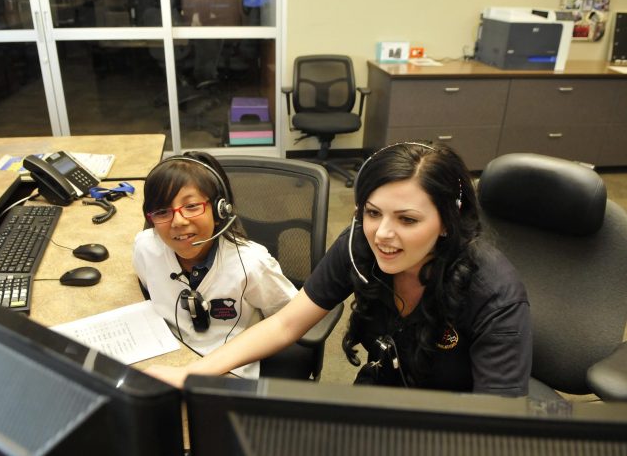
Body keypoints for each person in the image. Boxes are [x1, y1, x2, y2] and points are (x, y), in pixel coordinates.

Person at [145, 142, 532, 396]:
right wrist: (193, 374)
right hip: (382, 394)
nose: (383, 234)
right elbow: (285, 324)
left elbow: (497, 427)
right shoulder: (359, 244)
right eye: (372, 212)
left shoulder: (494, 294)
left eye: (408, 220)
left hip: (457, 422)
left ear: (447, 221)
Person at [133, 151, 297, 379]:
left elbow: (290, 315)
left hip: (228, 371)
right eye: (162, 211)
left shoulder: (251, 263)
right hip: (168, 360)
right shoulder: (145, 248)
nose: (178, 221)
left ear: (220, 210)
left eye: (191, 206)